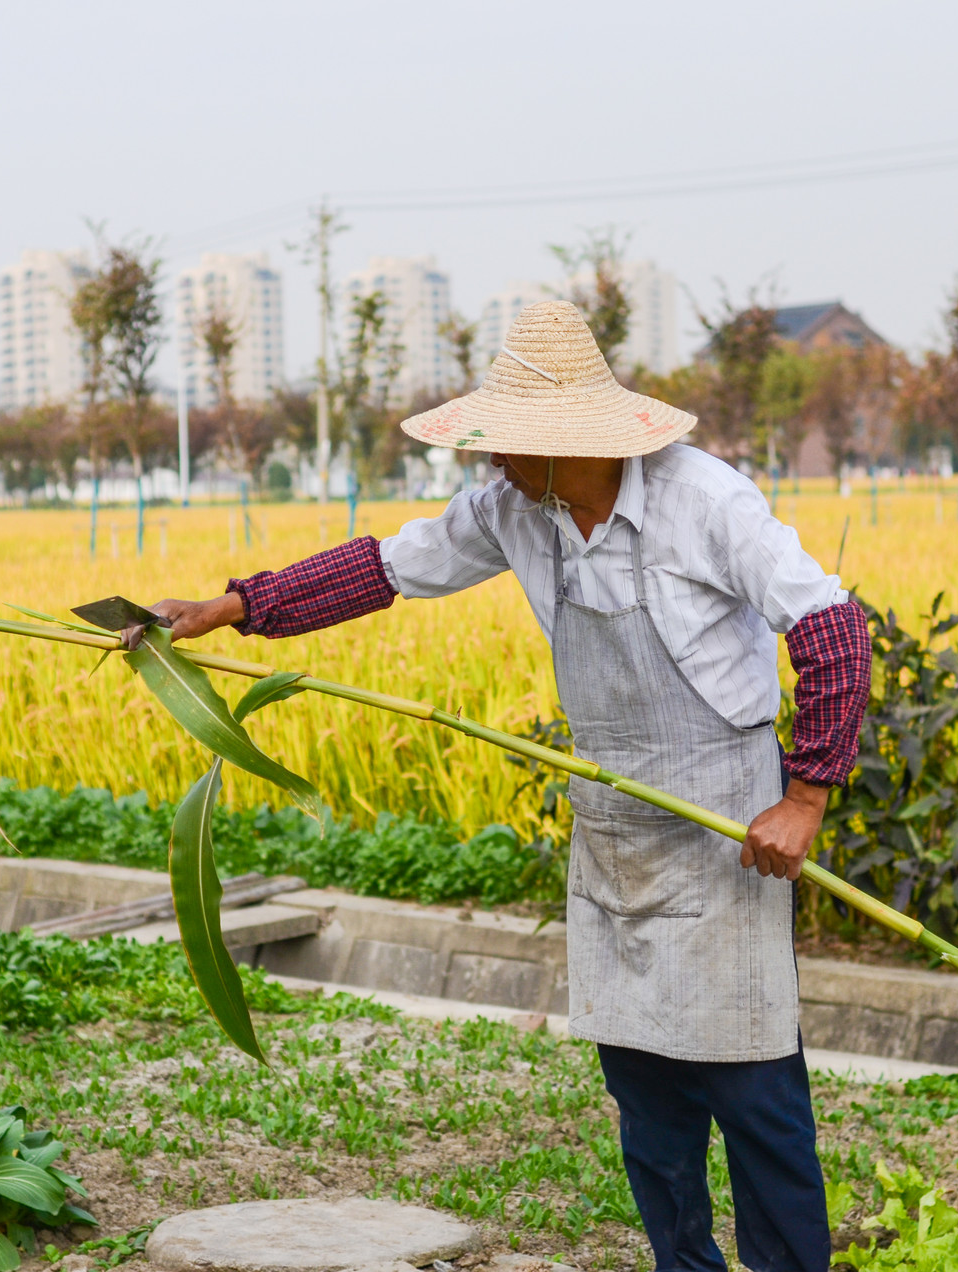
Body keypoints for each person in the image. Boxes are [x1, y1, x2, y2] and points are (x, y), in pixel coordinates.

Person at [130, 300, 869, 1272]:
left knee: (754, 1101)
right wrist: (230, 609)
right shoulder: (517, 510)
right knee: (648, 1105)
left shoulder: (706, 502)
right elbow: (386, 568)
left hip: (725, 838)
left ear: (570, 443)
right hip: (617, 837)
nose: (489, 462)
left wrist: (804, 799)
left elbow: (833, 630)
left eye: (507, 444)